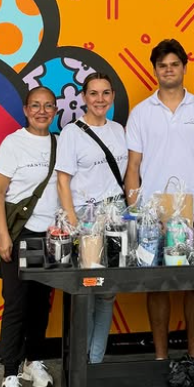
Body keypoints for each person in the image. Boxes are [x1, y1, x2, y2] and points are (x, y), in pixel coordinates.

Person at [124, 38, 194, 362]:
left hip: (193, 208)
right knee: (158, 285)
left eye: (174, 64)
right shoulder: (140, 114)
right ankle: (161, 359)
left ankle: (193, 358)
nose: (168, 70)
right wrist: (138, 212)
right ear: (155, 70)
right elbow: (133, 167)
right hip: (153, 212)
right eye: (162, 65)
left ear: (184, 67)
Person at [0, 86, 59, 387]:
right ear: (25, 110)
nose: (41, 111)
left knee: (41, 303)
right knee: (16, 304)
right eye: (36, 106)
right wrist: (4, 236)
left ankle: (33, 361)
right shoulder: (13, 143)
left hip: (52, 237)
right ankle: (9, 375)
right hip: (22, 235)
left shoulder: (60, 143)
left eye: (48, 106)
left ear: (56, 110)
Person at [56, 72, 128, 363]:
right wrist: (73, 223)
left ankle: (95, 362)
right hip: (87, 221)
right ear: (84, 97)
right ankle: (79, 364)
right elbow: (63, 181)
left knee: (108, 292)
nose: (100, 99)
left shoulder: (119, 130)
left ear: (112, 97)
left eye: (106, 93)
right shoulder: (72, 133)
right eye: (94, 93)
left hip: (117, 217)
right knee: (87, 291)